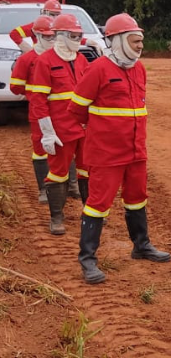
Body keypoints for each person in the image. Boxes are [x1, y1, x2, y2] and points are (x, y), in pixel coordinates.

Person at [69, 13, 171, 284]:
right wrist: (103, 134)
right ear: (118, 41)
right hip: (107, 154)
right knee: (98, 204)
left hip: (136, 151)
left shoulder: (139, 68)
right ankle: (88, 260)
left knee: (137, 198)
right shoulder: (98, 69)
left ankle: (141, 246)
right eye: (135, 41)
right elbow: (76, 110)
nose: (140, 46)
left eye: (141, 41)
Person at [27, 14, 90, 235]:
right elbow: (38, 101)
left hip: (84, 130)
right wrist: (47, 132)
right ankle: (56, 218)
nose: (78, 39)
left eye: (79, 35)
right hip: (61, 130)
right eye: (73, 35)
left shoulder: (81, 60)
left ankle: (89, 213)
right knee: (58, 173)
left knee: (86, 171)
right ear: (60, 36)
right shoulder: (45, 62)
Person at [9, 16, 56, 204]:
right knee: (40, 148)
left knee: (66, 146)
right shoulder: (27, 59)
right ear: (36, 35)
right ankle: (44, 189)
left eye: (54, 36)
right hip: (38, 111)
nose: (51, 40)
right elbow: (15, 87)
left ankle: (70, 185)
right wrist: (34, 92)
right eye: (48, 36)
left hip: (61, 111)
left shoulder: (62, 57)